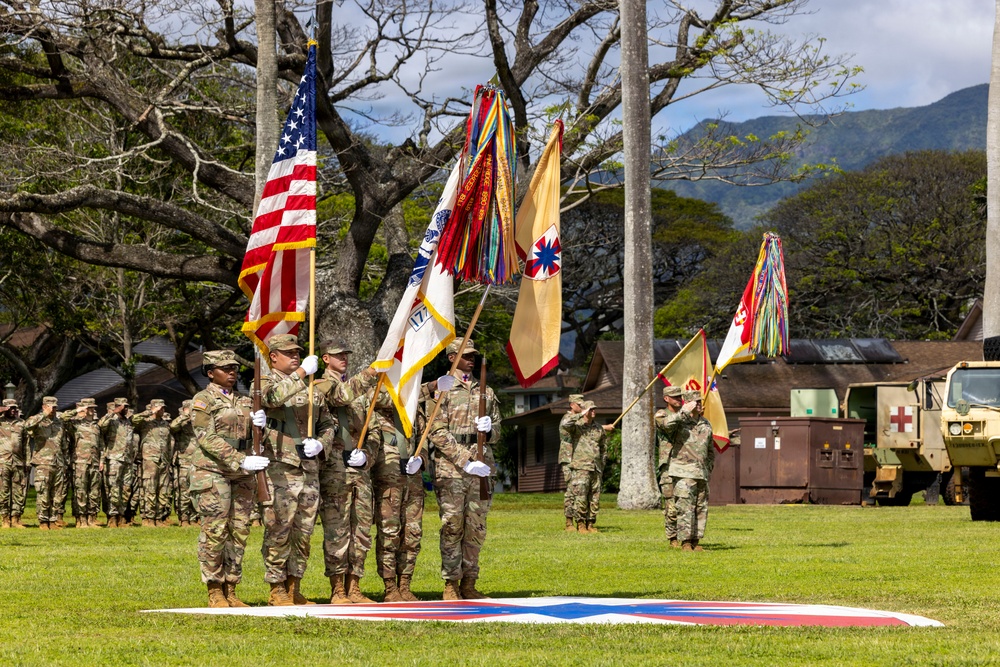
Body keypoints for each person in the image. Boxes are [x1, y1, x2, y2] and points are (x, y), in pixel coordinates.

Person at [189, 349, 269, 608]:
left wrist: (261, 425)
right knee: (215, 531)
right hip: (213, 471)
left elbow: (255, 439)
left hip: (241, 475)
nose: (232, 372)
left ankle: (231, 588)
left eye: (234, 368)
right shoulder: (203, 400)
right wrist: (239, 459)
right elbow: (206, 438)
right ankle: (214, 589)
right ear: (211, 373)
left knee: (239, 530)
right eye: (225, 368)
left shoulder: (246, 401)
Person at [259, 333, 332, 606]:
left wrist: (321, 444)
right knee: (279, 528)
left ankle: (294, 586)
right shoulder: (265, 381)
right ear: (273, 356)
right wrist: (301, 372)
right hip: (281, 466)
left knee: (304, 531)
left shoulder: (311, 387)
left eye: (297, 353)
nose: (295, 356)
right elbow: (272, 398)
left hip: (308, 468)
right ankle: (276, 588)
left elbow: (328, 423)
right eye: (289, 353)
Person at [428, 339, 500, 601]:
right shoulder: (443, 390)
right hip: (452, 469)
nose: (471, 359)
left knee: (476, 527)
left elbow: (499, 430)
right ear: (452, 358)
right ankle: (451, 583)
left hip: (482, 467)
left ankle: (469, 582)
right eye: (466, 355)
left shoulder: (486, 391)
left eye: (473, 355)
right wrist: (464, 460)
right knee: (452, 525)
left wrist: (489, 431)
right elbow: (436, 431)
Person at [315, 339, 379, 604]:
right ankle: (337, 589)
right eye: (338, 355)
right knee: (337, 529)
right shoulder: (320, 385)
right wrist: (371, 372)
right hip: (335, 470)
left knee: (361, 531)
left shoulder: (360, 393)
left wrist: (367, 456)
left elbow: (373, 430)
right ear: (325, 358)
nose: (344, 358)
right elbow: (340, 396)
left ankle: (354, 586)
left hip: (358, 471)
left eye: (346, 354)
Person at [669, 390, 716, 552]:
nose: (699, 404)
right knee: (685, 508)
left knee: (700, 508)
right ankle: (685, 542)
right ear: (688, 403)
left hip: (701, 472)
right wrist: (683, 412)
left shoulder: (705, 423)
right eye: (695, 402)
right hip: (683, 472)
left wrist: (708, 467)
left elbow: (710, 449)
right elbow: (665, 425)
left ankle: (695, 541)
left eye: (700, 401)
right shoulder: (679, 422)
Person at [564, 400, 610, 533]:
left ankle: (590, 523)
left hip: (596, 467)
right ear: (584, 411)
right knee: (581, 497)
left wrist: (602, 463)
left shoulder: (598, 428)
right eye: (591, 409)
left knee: (594, 497)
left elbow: (603, 447)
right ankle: (580, 524)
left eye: (594, 409)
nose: (593, 411)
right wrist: (580, 414)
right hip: (581, 467)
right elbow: (565, 424)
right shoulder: (577, 426)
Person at [23, 396, 69, 530]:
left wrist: (65, 462)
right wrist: (43, 414)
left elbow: (63, 444)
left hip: (58, 462)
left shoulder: (59, 423)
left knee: (57, 494)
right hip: (43, 462)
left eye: (55, 407)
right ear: (44, 407)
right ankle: (43, 521)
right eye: (51, 407)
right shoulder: (38, 420)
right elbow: (27, 425)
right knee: (43, 492)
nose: (53, 410)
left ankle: (53, 520)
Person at [63, 398, 103, 528]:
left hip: (94, 462)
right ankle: (81, 519)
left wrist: (101, 460)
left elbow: (101, 445)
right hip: (80, 462)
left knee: (94, 491)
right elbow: (63, 419)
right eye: (89, 408)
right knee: (80, 491)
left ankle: (91, 518)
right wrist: (77, 411)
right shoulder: (75, 424)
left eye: (93, 408)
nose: (91, 410)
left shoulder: (96, 426)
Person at [654, 385, 687, 548]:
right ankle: (673, 538)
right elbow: (667, 425)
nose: (679, 399)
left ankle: (686, 537)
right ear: (666, 399)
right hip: (668, 465)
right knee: (671, 504)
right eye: (675, 397)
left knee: (685, 503)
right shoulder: (661, 415)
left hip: (686, 464)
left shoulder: (686, 416)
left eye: (680, 396)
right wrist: (684, 412)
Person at [133, 399, 173, 526]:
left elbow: (168, 443)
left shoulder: (165, 424)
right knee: (150, 488)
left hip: (163, 460)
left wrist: (168, 459)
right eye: (160, 408)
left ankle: (159, 517)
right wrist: (150, 412)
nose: (162, 410)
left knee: (163, 489)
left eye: (163, 408)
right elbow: (133, 420)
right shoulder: (145, 422)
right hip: (150, 459)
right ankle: (149, 518)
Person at [99, 397, 136, 528]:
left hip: (127, 459)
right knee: (113, 489)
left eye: (127, 407)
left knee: (126, 489)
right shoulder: (111, 420)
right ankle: (112, 517)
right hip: (114, 459)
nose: (125, 409)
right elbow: (101, 425)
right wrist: (113, 412)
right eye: (123, 407)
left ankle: (121, 516)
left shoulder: (128, 422)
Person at [558, 394, 585, 531]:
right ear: (572, 405)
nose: (582, 407)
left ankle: (581, 520)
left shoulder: (578, 421)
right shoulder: (567, 418)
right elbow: (566, 424)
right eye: (579, 405)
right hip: (568, 458)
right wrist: (581, 415)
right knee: (571, 489)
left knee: (579, 489)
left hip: (579, 458)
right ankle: (569, 522)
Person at [0, 399, 28, 528]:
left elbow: (26, 444)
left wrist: (27, 462)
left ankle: (16, 518)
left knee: (18, 491)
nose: (13, 410)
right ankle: (5, 519)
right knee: (3, 491)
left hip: (18, 462)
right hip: (3, 462)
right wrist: (1, 410)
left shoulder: (21, 423)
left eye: (14, 408)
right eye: (10, 408)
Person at [170, 400, 197, 526]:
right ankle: (184, 518)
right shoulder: (181, 421)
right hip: (184, 461)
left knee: (196, 491)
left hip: (197, 461)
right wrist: (185, 416)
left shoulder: (198, 421)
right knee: (184, 491)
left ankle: (194, 517)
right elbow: (172, 427)